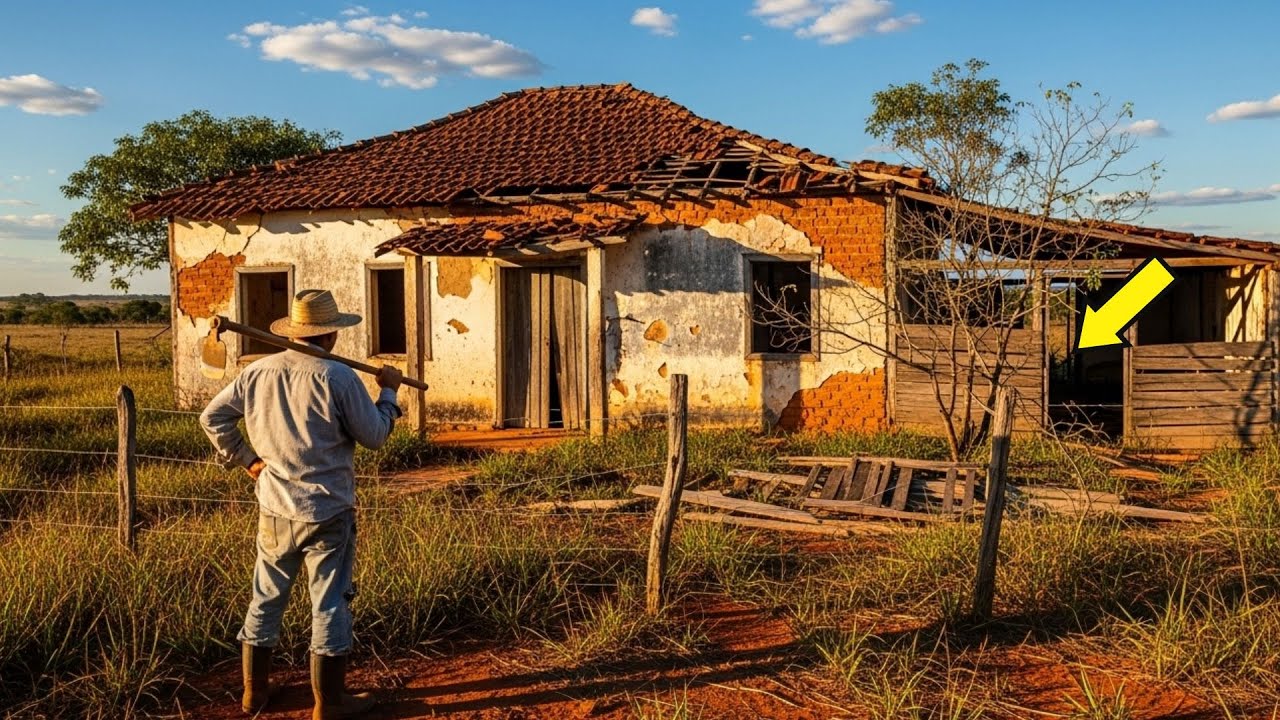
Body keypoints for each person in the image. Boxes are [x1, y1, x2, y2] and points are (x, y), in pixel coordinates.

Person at [200, 288, 403, 719]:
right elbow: (376, 436)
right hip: (329, 510)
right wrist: (388, 393)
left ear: (295, 330)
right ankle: (329, 703)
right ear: (331, 335)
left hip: (275, 506)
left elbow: (212, 416)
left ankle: (254, 695)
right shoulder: (338, 377)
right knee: (328, 603)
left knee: (266, 598)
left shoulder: (258, 372)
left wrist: (248, 461)